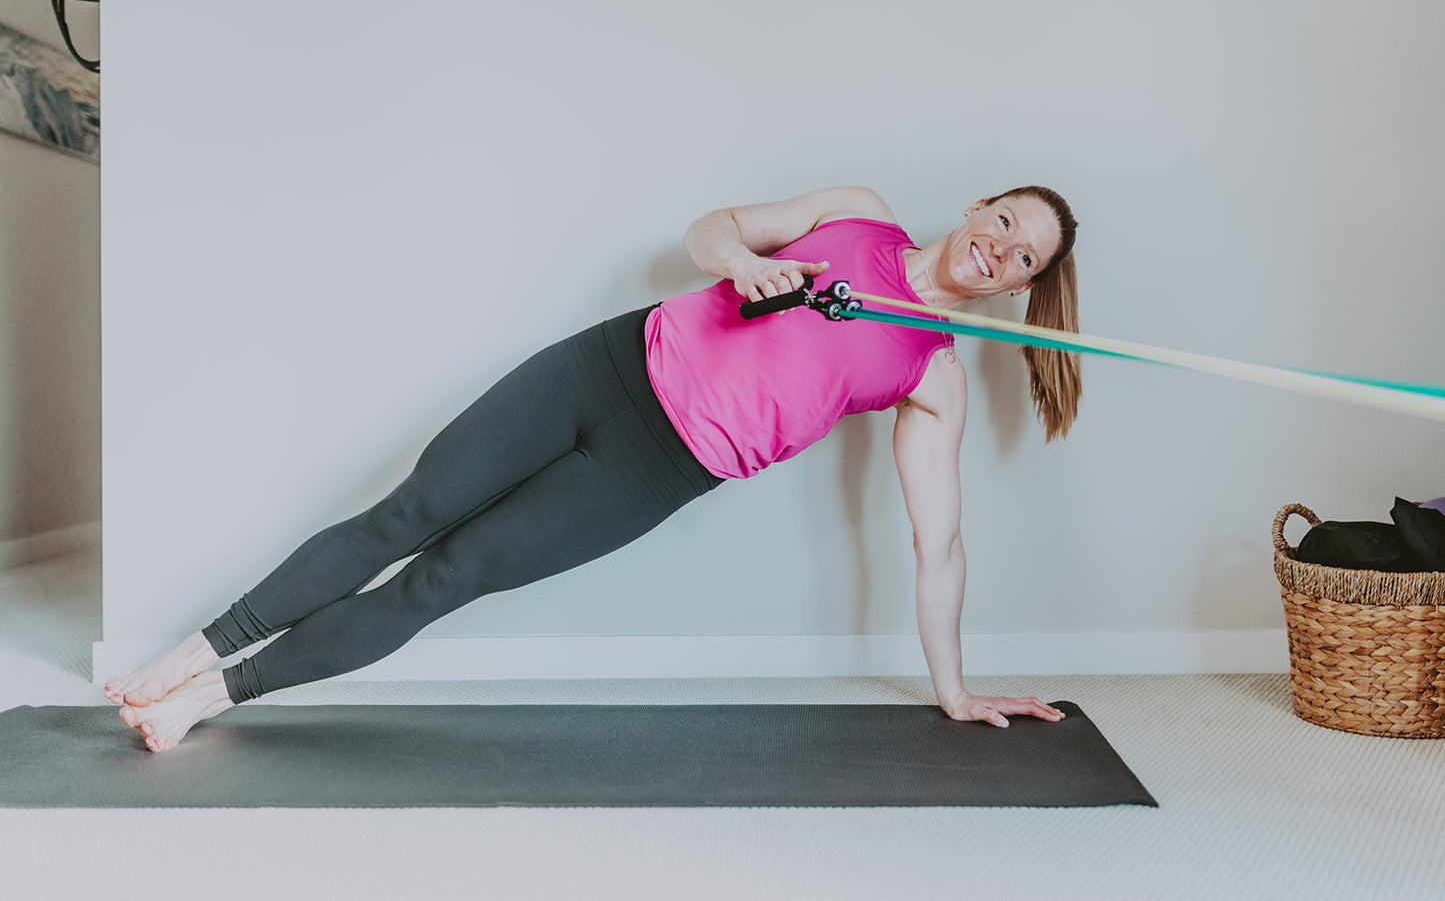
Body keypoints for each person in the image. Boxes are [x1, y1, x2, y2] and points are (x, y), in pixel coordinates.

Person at [104, 184, 1081, 752]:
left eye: (1023, 257)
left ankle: (209, 698)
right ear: (976, 207)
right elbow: (707, 228)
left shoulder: (933, 371)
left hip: (654, 469)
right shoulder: (859, 215)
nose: (999, 248)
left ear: (1023, 287)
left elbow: (937, 541)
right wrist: (743, 264)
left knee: (443, 579)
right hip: (603, 365)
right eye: (1003, 222)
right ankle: (188, 653)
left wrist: (954, 690)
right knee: (404, 515)